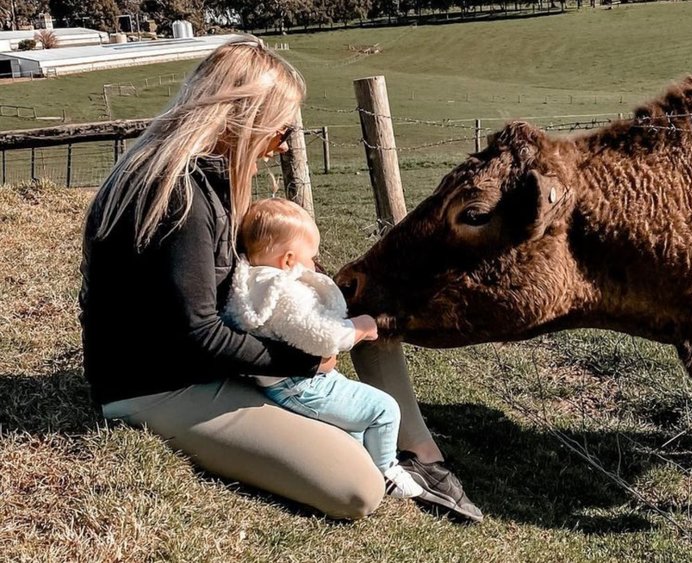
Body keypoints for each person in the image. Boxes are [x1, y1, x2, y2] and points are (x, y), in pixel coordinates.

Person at [78, 36, 482, 522]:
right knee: (356, 489)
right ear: (243, 118)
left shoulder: (192, 178)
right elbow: (197, 331)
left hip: (188, 369)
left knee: (353, 374)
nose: (286, 142)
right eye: (281, 127)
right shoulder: (179, 199)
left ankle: (406, 454)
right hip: (161, 388)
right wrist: (302, 361)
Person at [223, 198, 423, 499]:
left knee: (354, 421)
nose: (314, 264)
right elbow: (322, 336)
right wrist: (361, 327)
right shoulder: (286, 293)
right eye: (311, 257)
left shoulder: (251, 281)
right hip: (300, 385)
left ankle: (361, 461)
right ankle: (386, 471)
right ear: (288, 260)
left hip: (281, 379)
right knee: (384, 409)